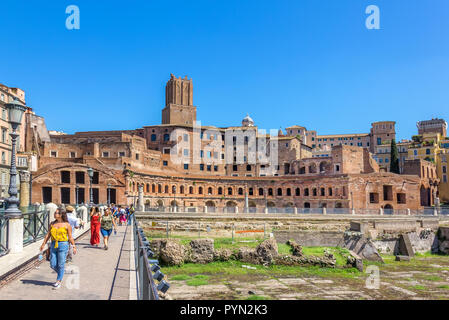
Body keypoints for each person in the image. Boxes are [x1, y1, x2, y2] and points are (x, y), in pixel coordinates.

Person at [39, 208, 76, 289]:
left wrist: (74, 246)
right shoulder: (52, 224)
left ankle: (58, 281)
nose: (54, 214)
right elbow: (48, 235)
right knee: (52, 264)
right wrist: (43, 244)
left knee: (61, 264)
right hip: (53, 244)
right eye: (55, 212)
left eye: (56, 213)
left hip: (63, 244)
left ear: (61, 215)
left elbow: (70, 237)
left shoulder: (67, 225)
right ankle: (62, 272)